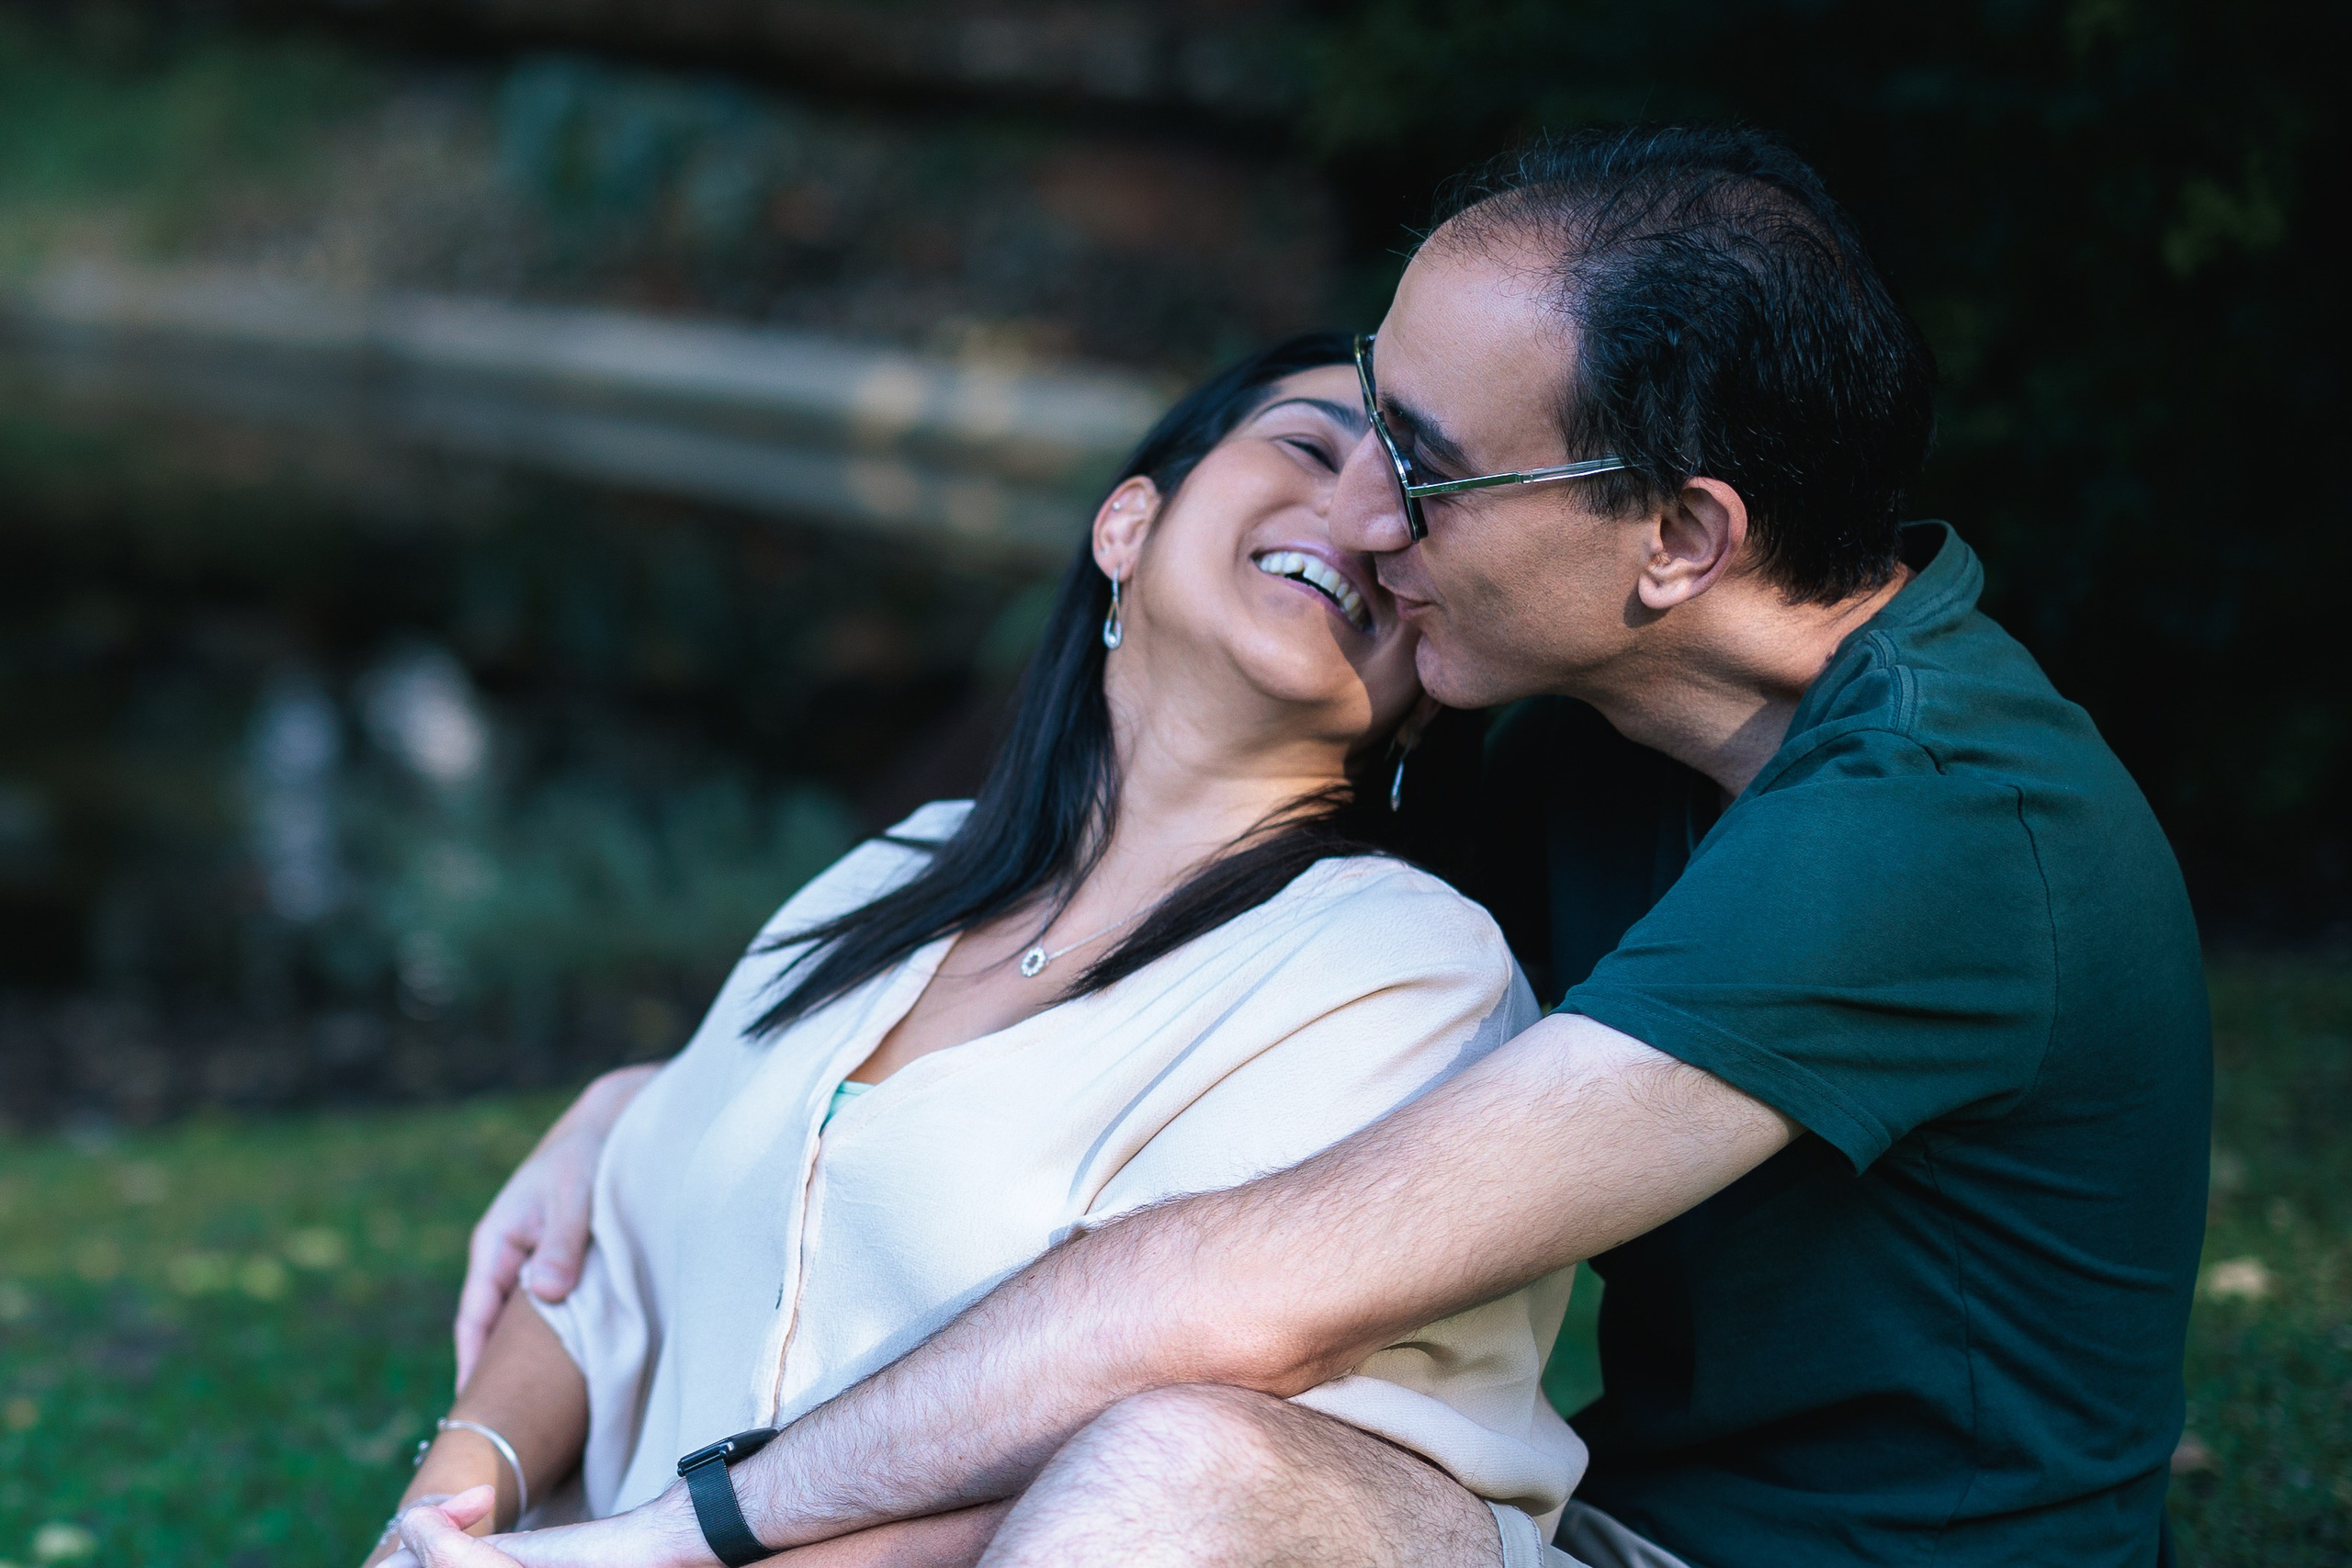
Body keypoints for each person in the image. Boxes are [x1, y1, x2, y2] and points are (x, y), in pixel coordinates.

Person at [399, 125, 2211, 1568]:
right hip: (1618, 1529)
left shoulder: (1941, 824)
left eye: (1426, 464)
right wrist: (650, 1100)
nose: (1370, 516)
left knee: (1179, 1454)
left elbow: (1237, 1279)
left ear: (1674, 538)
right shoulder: (1598, 722)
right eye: (1348, 420)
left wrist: (678, 1532)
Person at [366, 334, 1589, 1567]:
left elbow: (1168, 1465)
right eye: (1307, 445)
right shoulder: (900, 874)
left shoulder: (1401, 970)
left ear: (1428, 679)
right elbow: (615, 1245)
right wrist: (445, 1516)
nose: (1367, 516)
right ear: (1128, 527)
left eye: (1414, 515)